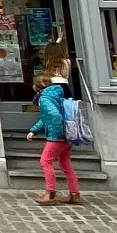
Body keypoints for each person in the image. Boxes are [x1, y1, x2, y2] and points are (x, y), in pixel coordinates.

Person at [27, 59, 81, 206]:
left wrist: (58, 134)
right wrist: (34, 130)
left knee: (45, 161)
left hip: (57, 136)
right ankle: (75, 193)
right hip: (68, 134)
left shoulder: (44, 98)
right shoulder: (57, 94)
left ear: (38, 86)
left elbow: (54, 116)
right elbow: (46, 117)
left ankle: (50, 193)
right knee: (65, 163)